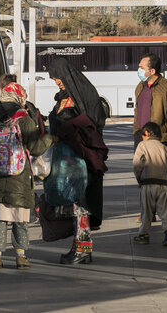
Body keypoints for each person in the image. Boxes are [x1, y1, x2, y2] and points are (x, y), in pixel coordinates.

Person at [0, 83, 52, 270]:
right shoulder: (22, 117)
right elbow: (36, 147)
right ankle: (21, 256)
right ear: (19, 97)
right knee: (20, 217)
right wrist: (50, 138)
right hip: (18, 175)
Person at [48, 57, 108, 265]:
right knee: (76, 206)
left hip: (83, 160)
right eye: (55, 81)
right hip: (72, 160)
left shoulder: (83, 97)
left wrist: (62, 126)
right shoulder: (68, 96)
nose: (58, 83)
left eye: (59, 79)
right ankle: (79, 247)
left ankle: (83, 250)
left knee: (81, 206)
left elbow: (87, 125)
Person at [132, 122, 167, 246]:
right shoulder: (165, 148)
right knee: (165, 210)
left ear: (147, 133)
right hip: (163, 184)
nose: (142, 137)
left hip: (147, 183)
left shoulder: (142, 146)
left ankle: (143, 235)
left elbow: (137, 165)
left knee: (146, 211)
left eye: (143, 135)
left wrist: (139, 180)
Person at [133, 53, 167, 153]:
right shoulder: (140, 86)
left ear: (152, 71)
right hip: (140, 137)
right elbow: (137, 109)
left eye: (142, 68)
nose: (139, 70)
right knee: (139, 167)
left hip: (160, 138)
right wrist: (136, 131)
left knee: (159, 168)